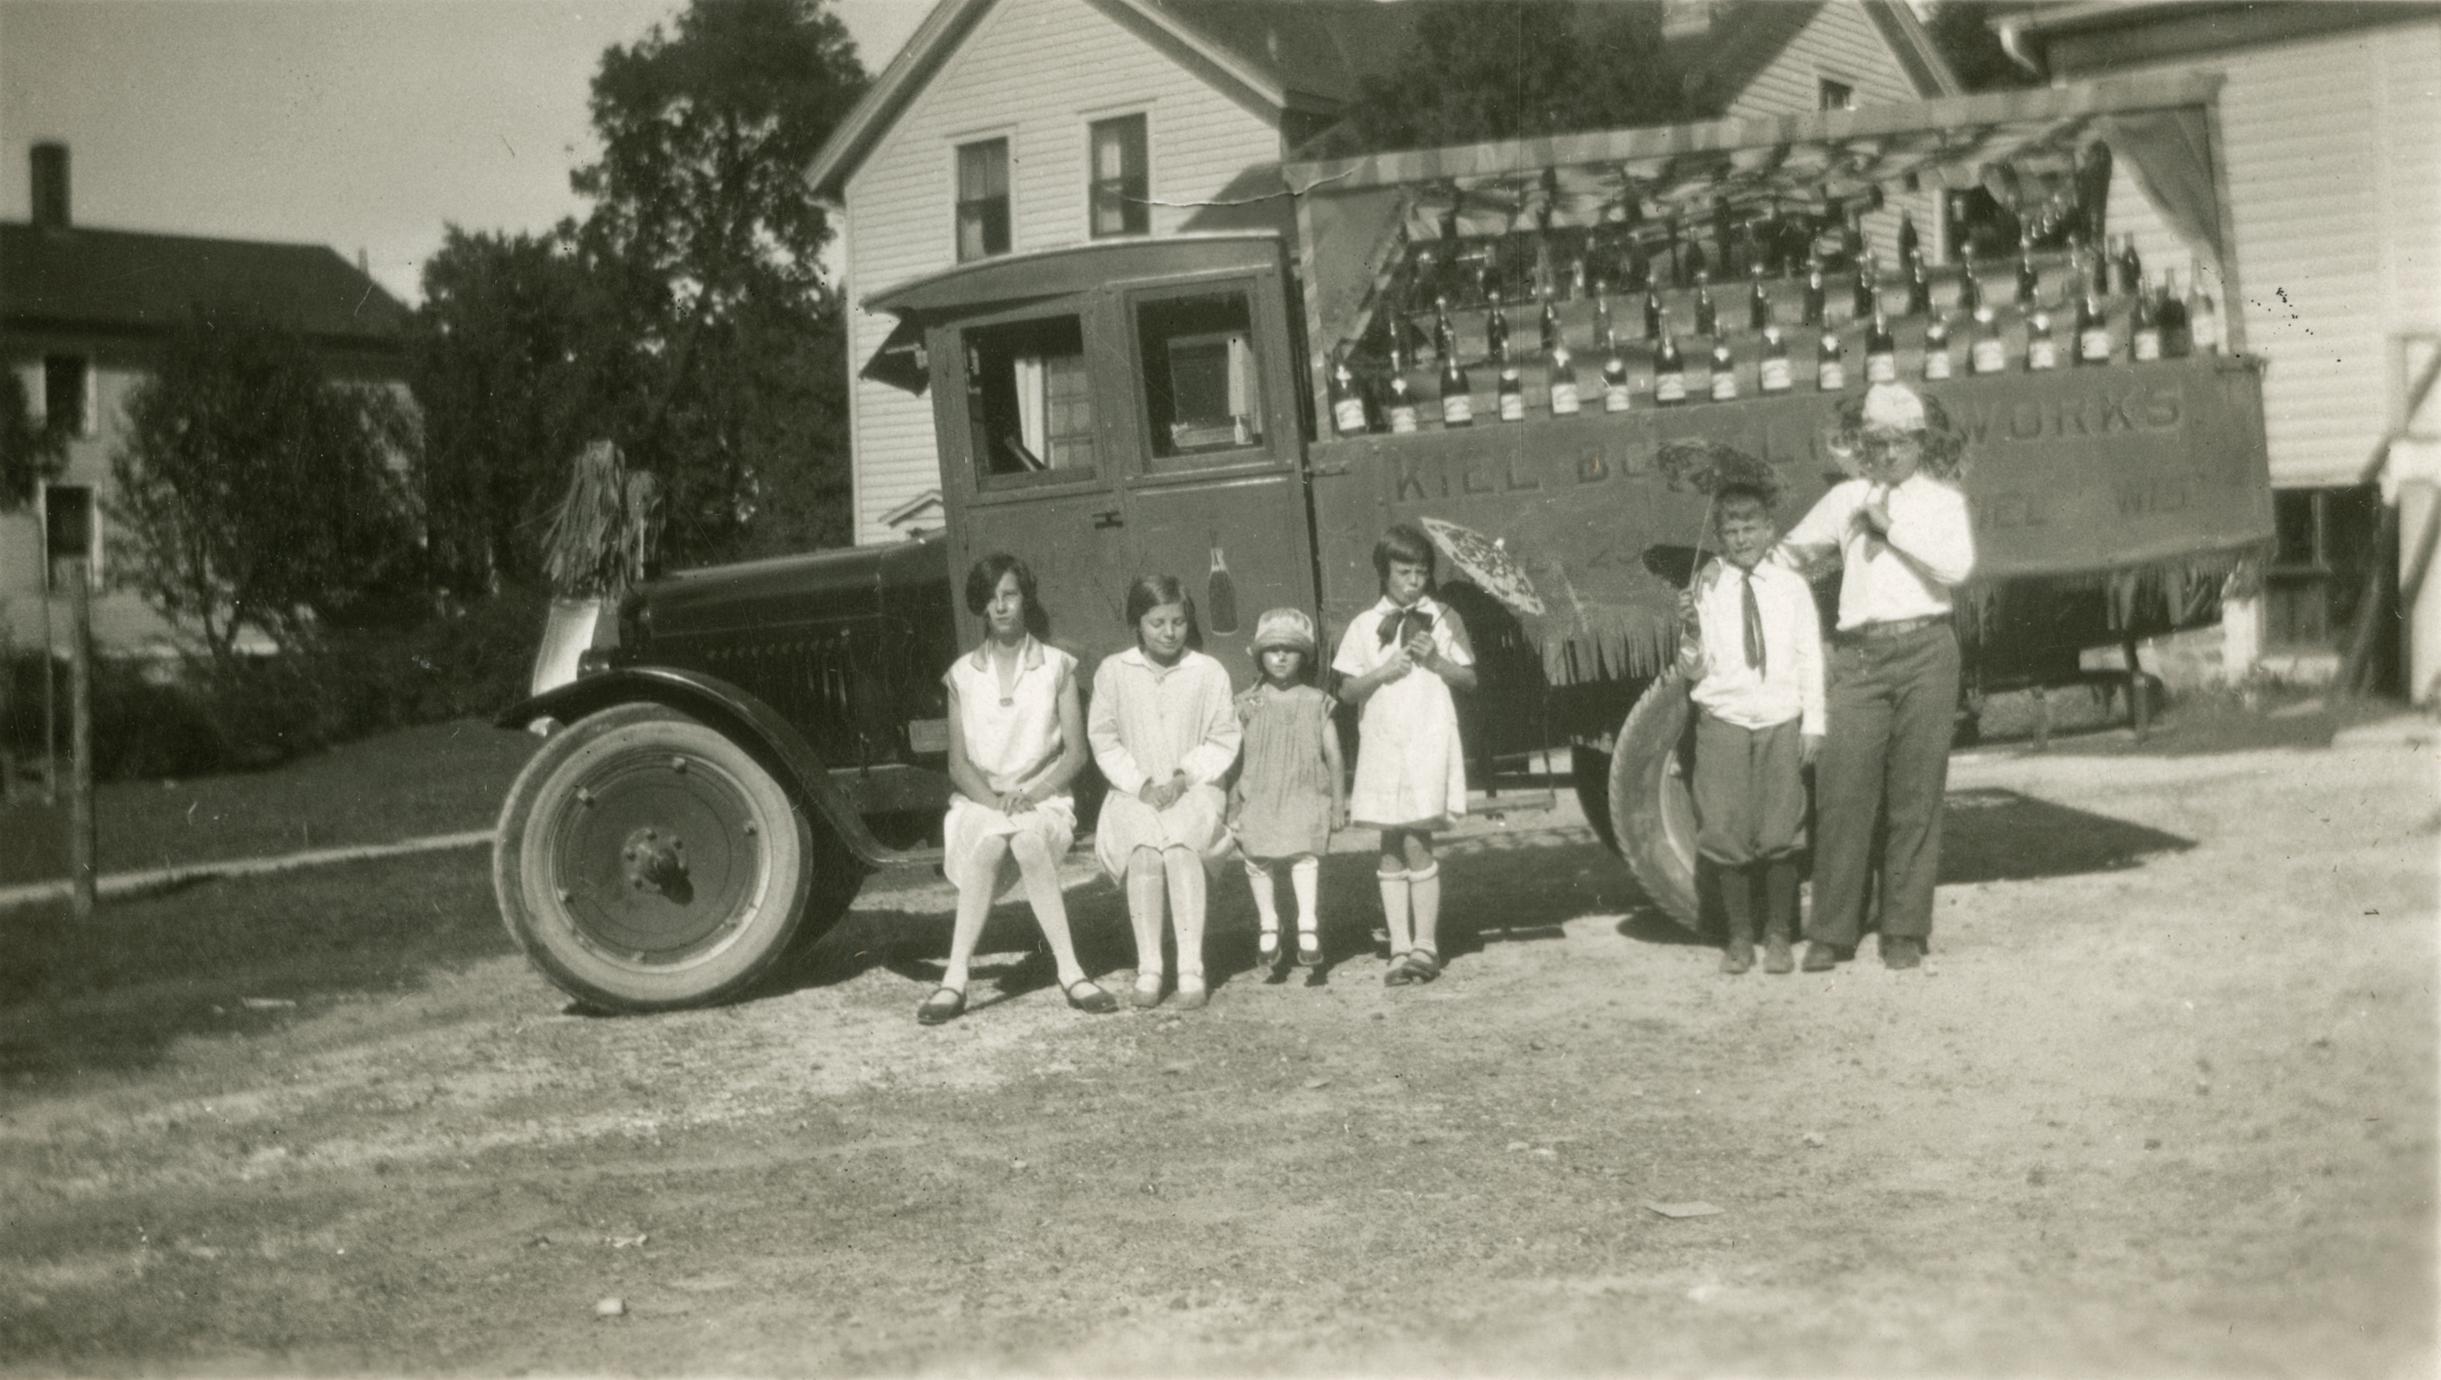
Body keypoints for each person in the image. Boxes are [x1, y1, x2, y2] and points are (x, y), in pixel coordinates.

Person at [1776, 382, 1977, 971]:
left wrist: (1890, 529)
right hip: (1859, 660)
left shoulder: (1942, 502)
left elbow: (1958, 568)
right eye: (1878, 443)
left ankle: (1903, 929)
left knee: (1915, 796)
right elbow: (1790, 554)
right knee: (1843, 794)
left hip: (1927, 653)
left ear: (1919, 443)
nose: (1889, 455)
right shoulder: (1845, 501)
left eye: (1900, 443)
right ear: (1864, 445)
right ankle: (1833, 932)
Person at [922, 554, 1116, 1025]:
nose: (1001, 606)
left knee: (1028, 840)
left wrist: (1030, 793)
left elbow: (1075, 754)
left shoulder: (1056, 666)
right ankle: (955, 978)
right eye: (991, 599)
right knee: (990, 843)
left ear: (1024, 598)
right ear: (981, 609)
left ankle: (1071, 971)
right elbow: (958, 762)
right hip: (979, 802)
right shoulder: (962, 674)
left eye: (1009, 594)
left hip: (1044, 799)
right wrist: (995, 802)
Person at [1677, 481, 1825, 976]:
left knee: (1782, 829)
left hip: (1781, 718)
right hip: (1724, 719)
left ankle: (1779, 935)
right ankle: (1740, 937)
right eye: (1731, 531)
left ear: (1769, 530)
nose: (1741, 539)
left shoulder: (1790, 586)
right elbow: (1693, 669)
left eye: (1750, 529)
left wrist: (1814, 723)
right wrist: (1690, 630)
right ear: (1719, 536)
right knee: (1725, 828)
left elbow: (1810, 657)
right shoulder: (1707, 585)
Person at [1332, 523, 1477, 987]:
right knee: (1390, 841)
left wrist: (1436, 661)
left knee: (1418, 836)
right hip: (1383, 740)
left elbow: (1470, 681)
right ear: (1384, 572)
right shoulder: (1362, 624)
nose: (1414, 581)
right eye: (1403, 572)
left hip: (1428, 737)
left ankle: (1426, 945)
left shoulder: (1445, 617)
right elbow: (1347, 690)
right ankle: (1398, 947)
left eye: (1421, 572)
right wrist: (1383, 671)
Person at [1089, 576, 1242, 1009]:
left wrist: (1182, 776)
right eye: (1157, 622)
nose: (1169, 632)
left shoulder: (1207, 671)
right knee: (1143, 851)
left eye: (1177, 621)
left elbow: (1223, 737)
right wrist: (1139, 784)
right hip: (1132, 789)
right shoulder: (1114, 671)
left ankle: (1191, 966)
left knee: (1179, 848)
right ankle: (1150, 966)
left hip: (1193, 787)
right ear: (1138, 623)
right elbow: (1104, 738)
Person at [1229, 608, 1347, 979]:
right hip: (1260, 791)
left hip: (1303, 789)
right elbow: (1233, 756)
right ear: (1260, 654)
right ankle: (1268, 923)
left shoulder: (1315, 700)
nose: (1280, 656)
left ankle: (1307, 924)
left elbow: (1334, 755)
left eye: (1290, 649)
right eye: (1273, 649)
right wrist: (1232, 800)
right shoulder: (1249, 701)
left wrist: (1339, 803)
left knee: (1303, 854)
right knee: (1257, 854)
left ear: (1304, 655)